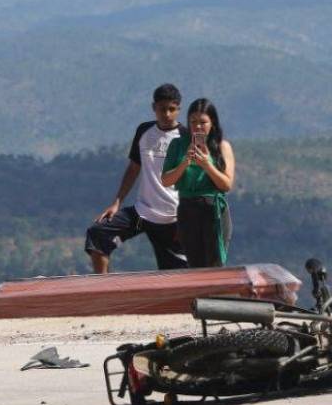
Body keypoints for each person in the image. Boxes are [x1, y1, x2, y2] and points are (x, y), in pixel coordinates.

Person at [85, 84, 188, 273]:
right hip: (142, 215)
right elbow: (134, 168)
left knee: (175, 274)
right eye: (162, 109)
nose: (166, 114)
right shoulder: (144, 131)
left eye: (171, 109)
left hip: (171, 220)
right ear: (153, 108)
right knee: (98, 234)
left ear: (179, 109)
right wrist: (117, 202)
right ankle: (103, 290)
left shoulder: (185, 137)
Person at [162, 98, 235, 267]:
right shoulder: (178, 145)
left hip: (213, 208)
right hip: (188, 208)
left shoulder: (222, 147)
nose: (198, 127)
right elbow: (166, 180)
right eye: (193, 122)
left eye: (203, 122)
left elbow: (226, 185)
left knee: (214, 263)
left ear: (213, 123)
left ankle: (215, 293)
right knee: (194, 263)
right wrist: (185, 162)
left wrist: (207, 164)